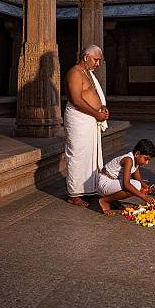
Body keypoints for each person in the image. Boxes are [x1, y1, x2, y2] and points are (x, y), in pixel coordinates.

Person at [64, 45, 109, 207]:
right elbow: (77, 100)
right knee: (78, 155)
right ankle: (74, 194)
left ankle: (87, 189)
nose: (98, 64)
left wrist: (101, 108)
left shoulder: (87, 73)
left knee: (89, 155)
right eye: (96, 60)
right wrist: (96, 113)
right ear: (85, 57)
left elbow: (92, 94)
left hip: (89, 118)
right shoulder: (75, 73)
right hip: (79, 118)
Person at [97, 139, 155, 214]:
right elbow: (126, 184)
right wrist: (143, 197)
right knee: (135, 186)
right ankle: (105, 201)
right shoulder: (128, 160)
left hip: (112, 182)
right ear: (137, 154)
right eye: (146, 159)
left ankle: (112, 200)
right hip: (104, 183)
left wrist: (145, 187)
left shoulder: (136, 161)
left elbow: (138, 179)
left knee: (138, 185)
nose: (147, 162)